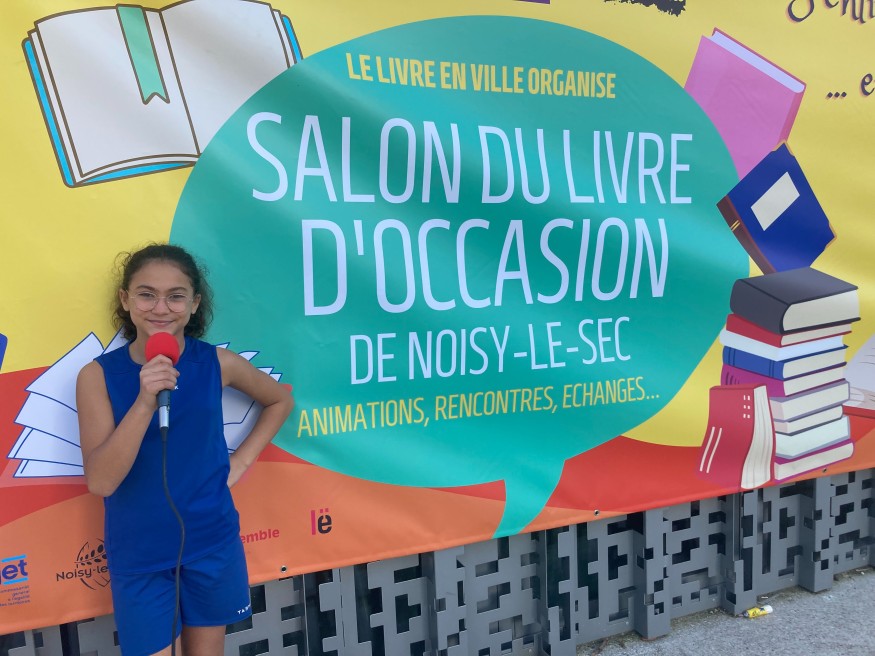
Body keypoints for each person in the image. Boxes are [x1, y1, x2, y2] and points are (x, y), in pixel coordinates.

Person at [76, 243, 294, 656]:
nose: (161, 308)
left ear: (193, 304)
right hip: (140, 553)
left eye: (175, 296)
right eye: (146, 294)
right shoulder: (97, 376)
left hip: (212, 540)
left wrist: (241, 460)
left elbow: (279, 400)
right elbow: (101, 481)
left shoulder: (217, 363)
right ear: (126, 299)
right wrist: (145, 401)